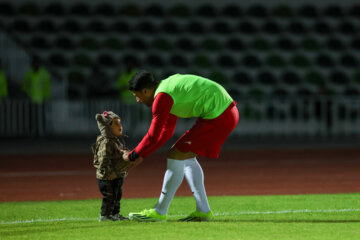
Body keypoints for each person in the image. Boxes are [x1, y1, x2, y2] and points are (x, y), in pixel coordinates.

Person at [121, 71, 239, 222]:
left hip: (220, 116)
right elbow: (166, 133)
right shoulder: (167, 90)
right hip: (224, 113)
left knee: (175, 155)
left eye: (137, 95)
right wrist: (141, 155)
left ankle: (159, 211)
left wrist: (132, 156)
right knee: (184, 156)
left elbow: (154, 135)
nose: (137, 100)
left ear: (146, 91)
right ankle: (203, 211)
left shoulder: (162, 97)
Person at [92, 110, 133, 221]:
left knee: (117, 195)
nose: (120, 126)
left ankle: (115, 214)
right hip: (108, 177)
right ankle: (105, 215)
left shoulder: (116, 141)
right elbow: (103, 159)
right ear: (107, 127)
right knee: (109, 196)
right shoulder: (106, 142)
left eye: (120, 123)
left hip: (117, 175)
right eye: (116, 123)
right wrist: (106, 173)